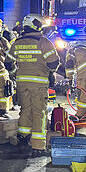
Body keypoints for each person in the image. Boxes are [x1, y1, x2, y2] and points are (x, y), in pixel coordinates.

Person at [7, 14, 60, 156]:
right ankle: (38, 146)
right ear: (37, 26)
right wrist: (50, 73)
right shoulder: (44, 42)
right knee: (39, 113)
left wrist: (14, 74)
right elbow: (53, 63)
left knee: (25, 110)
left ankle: (23, 139)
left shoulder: (16, 43)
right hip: (39, 83)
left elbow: (8, 62)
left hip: (22, 83)